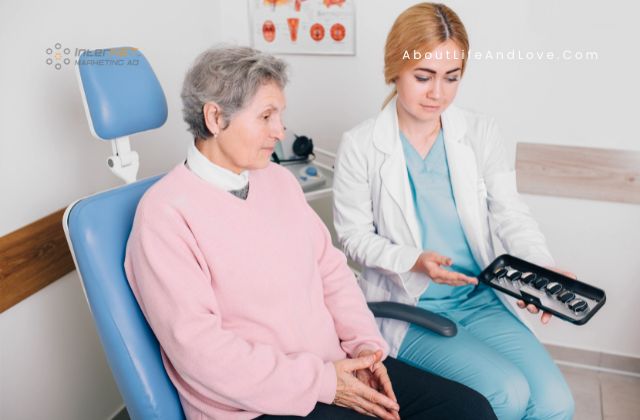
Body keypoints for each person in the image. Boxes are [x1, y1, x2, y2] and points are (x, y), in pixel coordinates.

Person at [124, 45, 496, 420]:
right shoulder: (165, 214)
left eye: (280, 115)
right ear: (216, 117)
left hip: (336, 367)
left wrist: (365, 348)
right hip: (254, 404)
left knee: (470, 410)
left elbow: (331, 272)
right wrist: (324, 383)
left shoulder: (278, 181)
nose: (280, 130)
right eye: (266, 116)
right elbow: (201, 351)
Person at [332, 3, 575, 420]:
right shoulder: (361, 145)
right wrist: (414, 260)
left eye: (452, 78)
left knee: (556, 403)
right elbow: (353, 238)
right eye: (423, 77)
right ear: (395, 68)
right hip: (413, 306)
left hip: (481, 298)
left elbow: (509, 212)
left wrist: (541, 272)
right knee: (507, 394)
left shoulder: (480, 133)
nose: (437, 93)